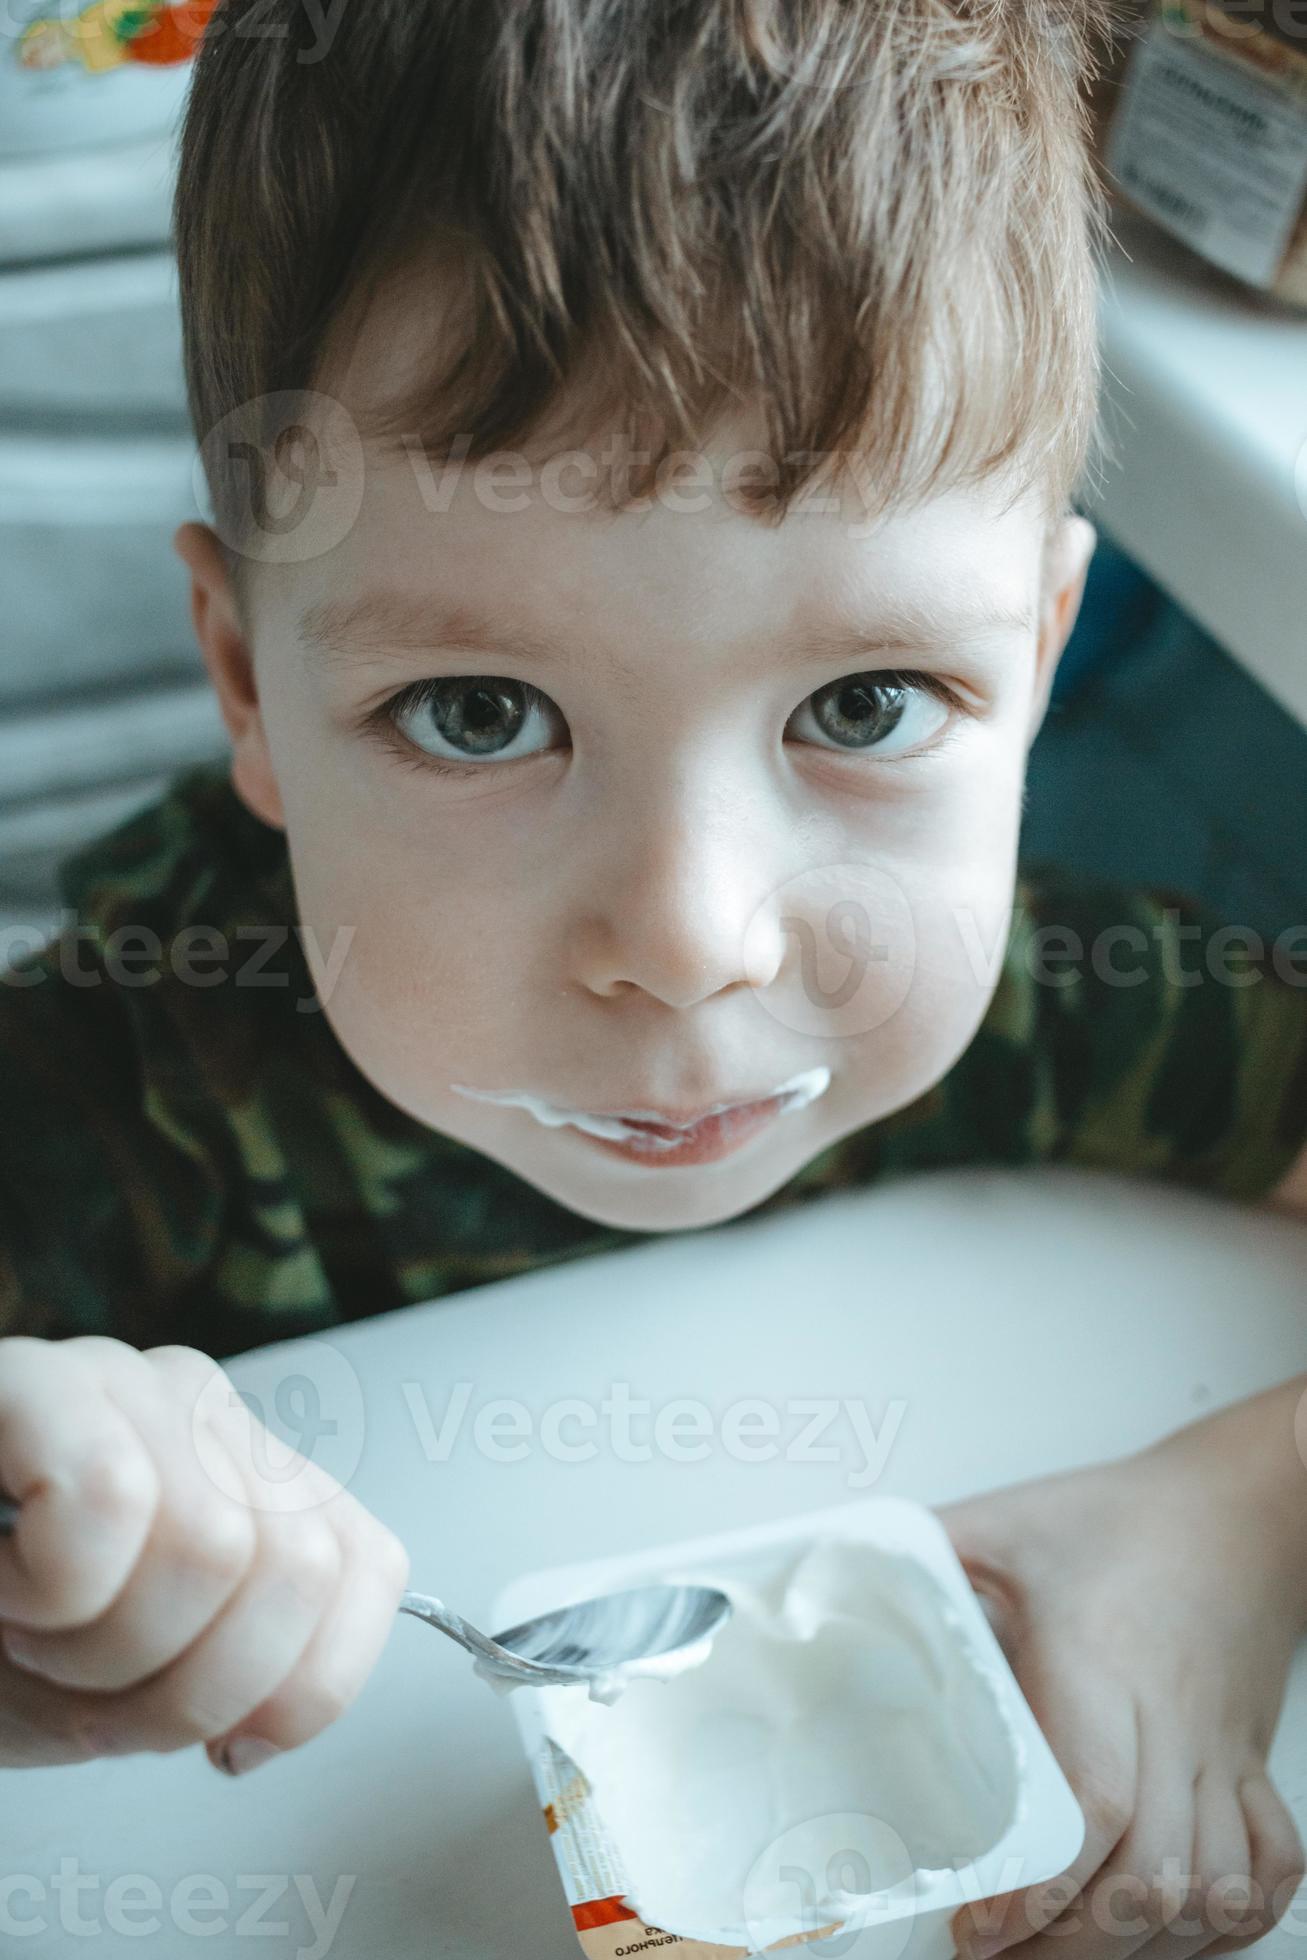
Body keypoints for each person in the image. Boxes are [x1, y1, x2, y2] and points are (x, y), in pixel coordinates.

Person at [2, 4, 1306, 1956]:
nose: (696, 938)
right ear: (249, 683)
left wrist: (1242, 1513)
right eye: (478, 711)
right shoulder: (134, 1082)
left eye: (866, 704)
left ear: (1037, 653)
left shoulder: (1064, 998)